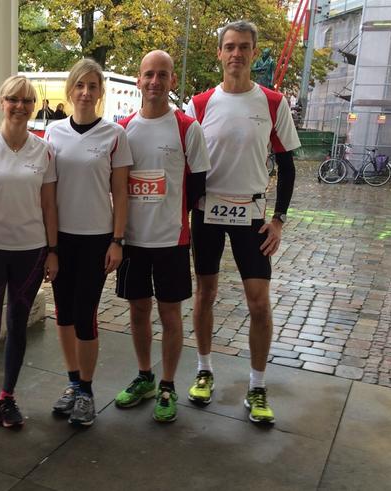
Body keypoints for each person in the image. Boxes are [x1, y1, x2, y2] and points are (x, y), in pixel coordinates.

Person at [185, 20, 300, 424]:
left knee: (259, 302)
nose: (236, 53)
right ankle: (203, 369)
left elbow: (287, 166)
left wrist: (279, 219)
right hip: (207, 211)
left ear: (253, 53)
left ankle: (257, 385)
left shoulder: (272, 102)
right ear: (219, 53)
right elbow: (184, 167)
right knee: (206, 293)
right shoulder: (198, 105)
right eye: (229, 46)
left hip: (251, 214)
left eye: (244, 47)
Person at [114, 50, 210, 423]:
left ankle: (168, 383)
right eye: (148, 74)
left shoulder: (188, 129)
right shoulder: (123, 130)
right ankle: (145, 377)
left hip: (172, 240)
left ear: (172, 81)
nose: (155, 82)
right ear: (138, 79)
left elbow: (198, 185)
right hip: (134, 240)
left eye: (163, 75)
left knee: (170, 314)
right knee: (138, 310)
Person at [0, 75, 58, 429]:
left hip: (30, 251)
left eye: (27, 100)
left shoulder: (44, 149)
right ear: (1, 102)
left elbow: (49, 205)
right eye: (13, 99)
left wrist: (53, 250)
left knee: (18, 325)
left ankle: (8, 394)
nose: (20, 106)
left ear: (35, 106)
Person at [45, 58, 132, 426]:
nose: (85, 92)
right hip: (61, 239)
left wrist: (117, 240)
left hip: (97, 239)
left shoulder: (114, 136)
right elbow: (47, 193)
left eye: (92, 86)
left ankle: (86, 389)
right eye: (79, 85)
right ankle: (71, 382)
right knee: (63, 314)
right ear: (70, 90)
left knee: (85, 315)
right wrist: (48, 246)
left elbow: (121, 193)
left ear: (100, 93)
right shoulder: (53, 133)